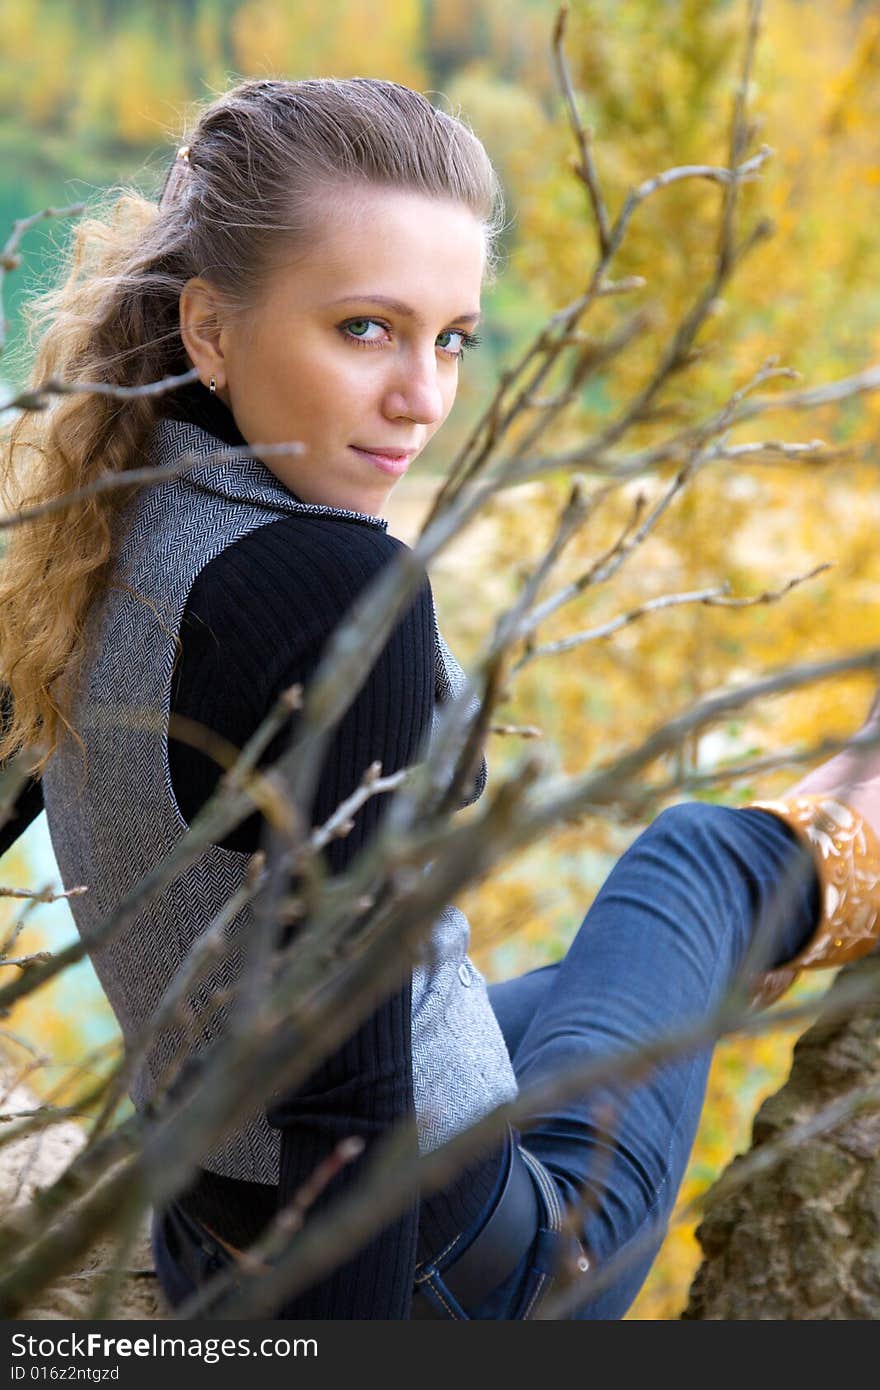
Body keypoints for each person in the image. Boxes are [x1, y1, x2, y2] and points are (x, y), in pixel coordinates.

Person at [1, 76, 879, 1322]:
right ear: (208, 330)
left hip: (213, 1222)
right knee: (690, 860)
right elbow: (344, 1098)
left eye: (452, 336)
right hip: (465, 1275)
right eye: (365, 329)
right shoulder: (335, 591)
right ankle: (843, 826)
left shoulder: (84, 510)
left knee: (570, 983)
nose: (423, 398)